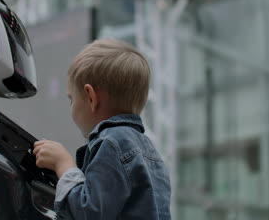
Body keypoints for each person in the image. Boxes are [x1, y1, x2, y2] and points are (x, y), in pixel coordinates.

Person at [33, 39, 172, 219]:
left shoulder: (112, 143)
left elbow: (88, 212)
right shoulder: (150, 153)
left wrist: (64, 165)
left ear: (91, 97)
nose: (71, 106)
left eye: (71, 99)